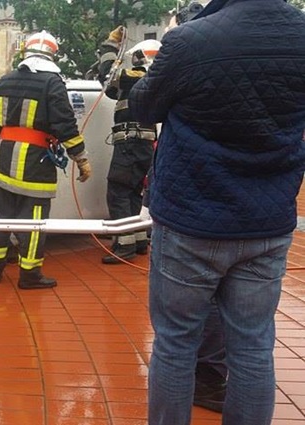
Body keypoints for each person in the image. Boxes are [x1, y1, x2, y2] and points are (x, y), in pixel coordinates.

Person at [129, 0, 305, 423]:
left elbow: (142, 106)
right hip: (266, 220)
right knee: (253, 345)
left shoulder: (190, 39)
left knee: (175, 343)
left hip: (191, 222)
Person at [0, 31, 91, 289]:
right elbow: (65, 125)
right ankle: (30, 275)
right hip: (35, 166)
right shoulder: (53, 83)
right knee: (33, 223)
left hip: (2, 163)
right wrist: (81, 159)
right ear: (52, 55)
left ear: (26, 52)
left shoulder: (6, 79)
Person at [96, 28, 157, 264]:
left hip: (130, 143)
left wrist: (110, 44)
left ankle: (124, 245)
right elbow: (111, 89)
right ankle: (139, 239)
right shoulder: (153, 79)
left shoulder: (137, 76)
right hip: (143, 144)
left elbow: (108, 75)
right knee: (133, 192)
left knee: (118, 190)